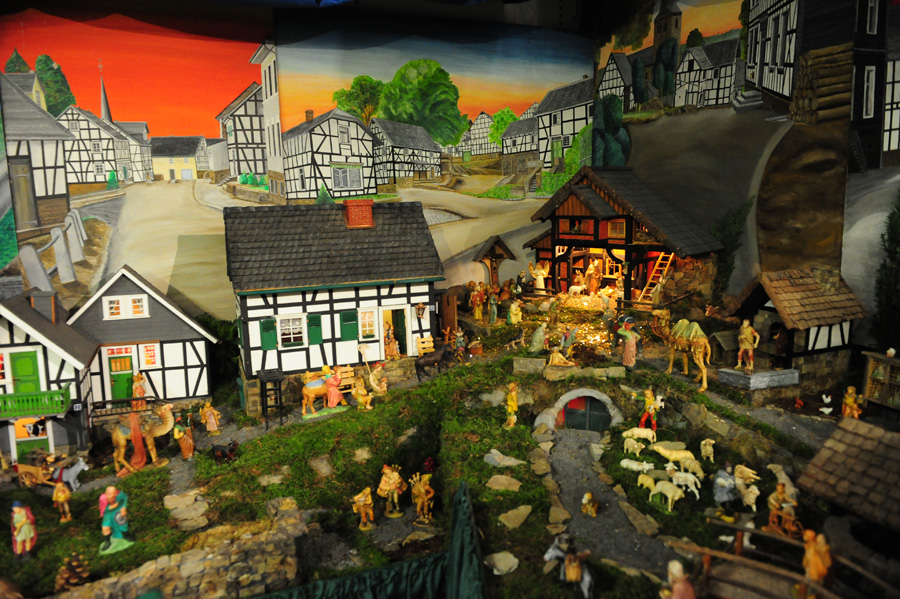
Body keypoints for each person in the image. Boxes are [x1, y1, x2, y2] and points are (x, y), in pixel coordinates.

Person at [99, 486, 133, 554]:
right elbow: (102, 508)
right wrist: (109, 508)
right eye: (109, 494)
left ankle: (126, 536)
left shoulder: (120, 495)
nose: (111, 495)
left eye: (113, 493)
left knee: (122, 523)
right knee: (105, 527)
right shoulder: (103, 498)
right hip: (108, 513)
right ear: (106, 493)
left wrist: (124, 508)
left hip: (118, 510)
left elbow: (124, 499)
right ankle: (107, 541)